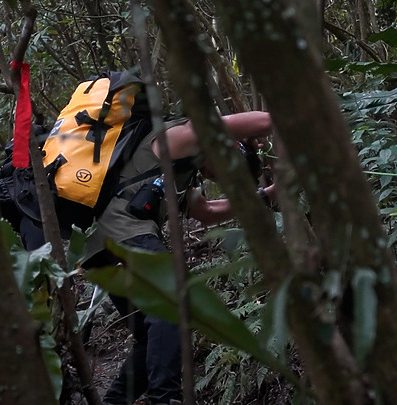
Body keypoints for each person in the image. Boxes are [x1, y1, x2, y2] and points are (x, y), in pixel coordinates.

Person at [80, 111, 276, 405]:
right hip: (120, 231)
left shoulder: (184, 167)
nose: (213, 178)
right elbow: (267, 120)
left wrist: (266, 196)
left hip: (101, 246)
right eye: (221, 173)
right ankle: (165, 397)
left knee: (151, 334)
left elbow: (206, 211)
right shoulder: (185, 136)